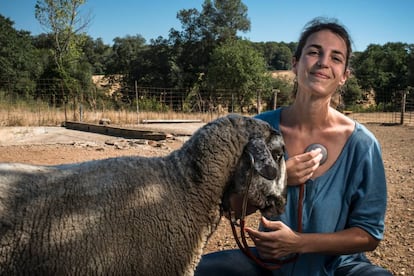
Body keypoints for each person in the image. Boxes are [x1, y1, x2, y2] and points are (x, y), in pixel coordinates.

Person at [195, 17, 392, 276]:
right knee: (196, 270)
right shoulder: (258, 130)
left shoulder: (363, 144)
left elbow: (369, 235)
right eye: (314, 52)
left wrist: (299, 243)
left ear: (344, 76)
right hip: (270, 265)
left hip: (338, 268)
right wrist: (279, 181)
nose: (323, 62)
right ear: (295, 63)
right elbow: (231, 207)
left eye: (336, 57)